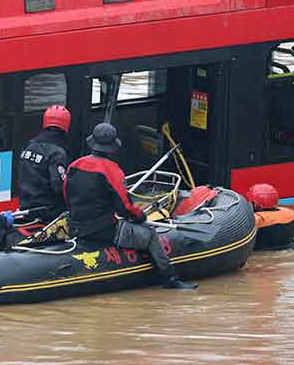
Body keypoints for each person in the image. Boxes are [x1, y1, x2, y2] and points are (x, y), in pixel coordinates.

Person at [64, 122, 197, 289]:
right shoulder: (112, 170)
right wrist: (140, 217)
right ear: (112, 148)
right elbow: (125, 208)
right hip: (104, 231)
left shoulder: (73, 166)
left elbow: (67, 198)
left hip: (76, 227)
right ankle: (170, 278)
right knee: (149, 234)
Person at [18, 105, 71, 222]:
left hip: (25, 207)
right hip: (48, 212)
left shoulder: (29, 146)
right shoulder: (57, 153)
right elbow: (59, 187)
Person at [246, 183, 294, 250]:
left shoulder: (253, 219)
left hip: (262, 252)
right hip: (289, 248)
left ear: (255, 204)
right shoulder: (288, 213)